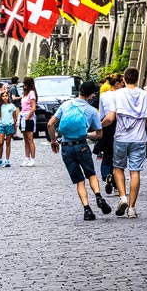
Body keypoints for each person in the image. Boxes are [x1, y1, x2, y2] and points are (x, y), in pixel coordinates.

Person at [47, 81, 113, 221]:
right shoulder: (92, 111)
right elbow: (99, 134)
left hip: (66, 147)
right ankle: (98, 196)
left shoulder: (66, 105)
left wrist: (53, 141)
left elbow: (50, 124)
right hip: (81, 145)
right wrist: (86, 134)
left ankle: (87, 210)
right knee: (91, 174)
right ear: (91, 95)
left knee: (79, 180)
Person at [102, 68, 147, 219]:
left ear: (124, 79)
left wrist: (99, 126)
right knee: (135, 171)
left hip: (121, 138)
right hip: (139, 139)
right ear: (137, 79)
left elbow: (111, 118)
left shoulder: (117, 94)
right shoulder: (145, 95)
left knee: (118, 168)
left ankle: (123, 197)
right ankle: (131, 208)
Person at [96, 73, 124, 193]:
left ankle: (107, 174)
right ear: (117, 83)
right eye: (121, 83)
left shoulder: (104, 95)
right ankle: (118, 182)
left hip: (107, 125)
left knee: (107, 154)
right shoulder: (122, 94)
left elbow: (101, 113)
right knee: (118, 155)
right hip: (119, 125)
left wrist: (99, 126)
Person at [0, 89, 17, 167]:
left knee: (8, 142)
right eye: (3, 96)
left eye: (6, 96)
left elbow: (14, 117)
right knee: (1, 143)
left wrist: (15, 128)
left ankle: (7, 160)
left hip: (9, 125)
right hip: (1, 125)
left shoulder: (12, 106)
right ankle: (0, 159)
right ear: (1, 98)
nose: (5, 98)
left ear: (8, 97)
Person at [20, 77, 38, 167]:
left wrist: (28, 117)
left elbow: (33, 107)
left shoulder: (31, 93)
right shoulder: (24, 94)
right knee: (25, 139)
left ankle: (32, 158)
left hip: (29, 117)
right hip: (23, 115)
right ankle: (26, 157)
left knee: (30, 139)